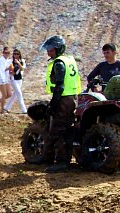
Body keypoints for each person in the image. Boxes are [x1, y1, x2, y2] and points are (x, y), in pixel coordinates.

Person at [41, 35, 81, 173]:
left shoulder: (59, 63)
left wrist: (53, 105)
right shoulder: (69, 59)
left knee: (58, 130)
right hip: (72, 98)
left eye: (51, 50)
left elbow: (60, 86)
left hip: (63, 99)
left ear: (58, 49)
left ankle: (61, 162)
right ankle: (64, 159)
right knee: (67, 129)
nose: (49, 52)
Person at [4, 49, 27, 114]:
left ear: (19, 54)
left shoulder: (22, 61)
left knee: (15, 94)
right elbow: (5, 68)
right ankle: (24, 110)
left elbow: (22, 68)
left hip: (19, 79)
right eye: (14, 54)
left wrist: (18, 63)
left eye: (17, 54)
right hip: (13, 79)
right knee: (19, 93)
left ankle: (6, 107)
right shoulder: (10, 61)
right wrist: (10, 71)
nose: (16, 55)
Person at [0, 46, 13, 113]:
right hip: (1, 79)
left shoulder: (8, 60)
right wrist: (8, 69)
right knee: (4, 95)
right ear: (3, 53)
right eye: (5, 53)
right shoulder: (1, 60)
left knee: (9, 94)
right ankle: (2, 110)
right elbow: (1, 70)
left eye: (8, 53)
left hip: (6, 78)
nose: (7, 54)